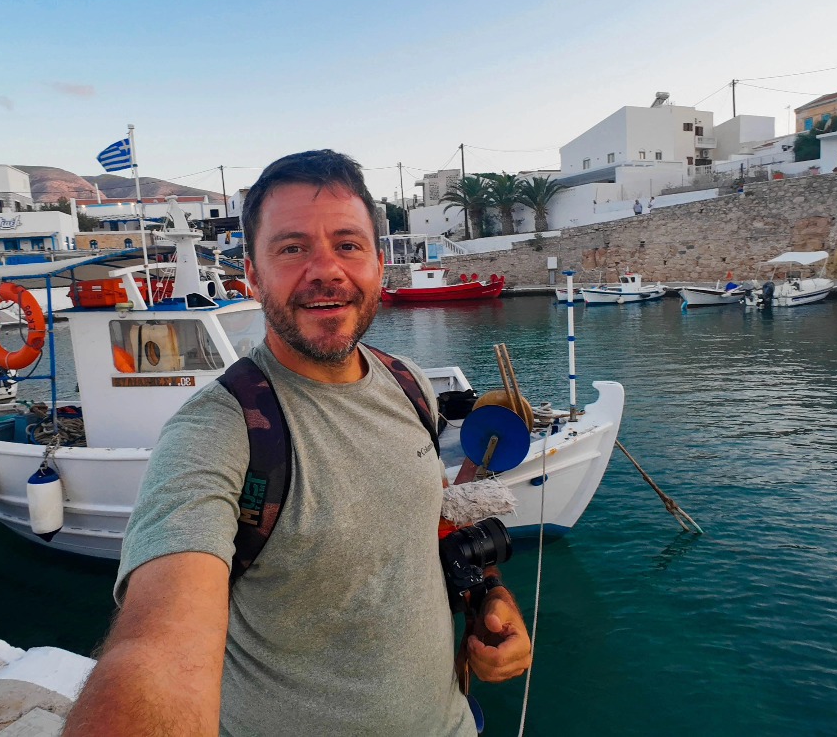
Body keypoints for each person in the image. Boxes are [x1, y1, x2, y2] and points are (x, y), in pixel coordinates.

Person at [64, 150, 531, 736]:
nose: (326, 269)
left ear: (378, 265)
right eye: (291, 248)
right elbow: (160, 651)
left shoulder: (409, 385)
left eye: (348, 244)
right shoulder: (217, 432)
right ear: (253, 275)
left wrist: (488, 595)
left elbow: (431, 523)